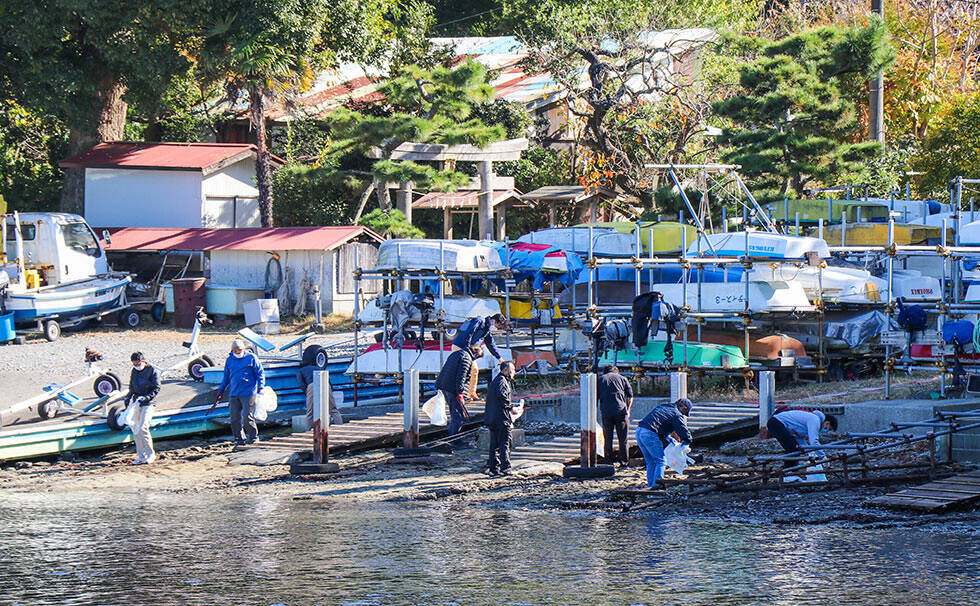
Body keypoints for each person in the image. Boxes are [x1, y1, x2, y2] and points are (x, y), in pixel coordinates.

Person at [213, 339, 266, 447]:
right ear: (232, 350)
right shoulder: (229, 360)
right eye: (236, 351)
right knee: (234, 418)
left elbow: (260, 373)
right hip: (234, 393)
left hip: (249, 392)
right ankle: (239, 440)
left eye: (240, 350)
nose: (238, 352)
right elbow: (226, 377)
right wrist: (221, 390)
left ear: (244, 349)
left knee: (247, 417)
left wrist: (261, 388)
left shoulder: (251, 358)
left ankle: (253, 437)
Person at [634, 398, 694, 488]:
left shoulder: (664, 406)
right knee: (661, 461)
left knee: (650, 462)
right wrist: (687, 441)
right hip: (649, 434)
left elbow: (659, 423)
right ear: (684, 408)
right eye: (684, 413)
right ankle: (657, 485)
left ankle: (651, 485)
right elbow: (682, 430)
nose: (683, 415)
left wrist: (668, 437)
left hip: (639, 431)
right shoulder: (676, 414)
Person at [435, 344, 482, 444]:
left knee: (454, 414)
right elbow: (461, 377)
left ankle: (452, 437)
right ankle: (455, 439)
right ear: (475, 354)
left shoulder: (457, 354)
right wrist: (460, 392)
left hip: (445, 386)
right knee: (459, 416)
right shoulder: (466, 359)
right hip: (453, 389)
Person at [453, 314, 505, 399]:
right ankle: (460, 393)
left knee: (474, 370)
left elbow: (490, 344)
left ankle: (471, 393)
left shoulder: (486, 329)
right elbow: (469, 333)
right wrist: (467, 349)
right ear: (493, 321)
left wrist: (499, 358)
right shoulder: (479, 321)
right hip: (461, 347)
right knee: (462, 370)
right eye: (497, 325)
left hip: (469, 350)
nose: (496, 328)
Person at [125, 352, 161, 465]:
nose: (137, 365)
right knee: (135, 429)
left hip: (148, 403)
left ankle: (150, 454)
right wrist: (128, 397)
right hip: (137, 403)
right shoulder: (135, 371)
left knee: (143, 427)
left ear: (143, 361)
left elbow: (157, 387)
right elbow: (131, 386)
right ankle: (141, 456)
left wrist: (147, 397)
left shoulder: (152, 370)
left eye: (138, 363)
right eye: (134, 364)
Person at [484, 360, 517, 476]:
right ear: (506, 370)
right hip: (501, 418)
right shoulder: (502, 382)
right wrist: (511, 408)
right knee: (504, 443)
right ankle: (505, 468)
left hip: (492, 418)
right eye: (512, 370)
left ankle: (493, 468)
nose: (514, 373)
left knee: (494, 445)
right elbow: (502, 397)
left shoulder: (495, 381)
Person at [766, 408, 837, 460]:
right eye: (829, 428)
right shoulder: (815, 420)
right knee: (791, 449)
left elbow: (799, 438)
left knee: (794, 449)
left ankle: (791, 472)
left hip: (777, 423)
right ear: (827, 423)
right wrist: (822, 456)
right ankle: (789, 473)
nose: (826, 430)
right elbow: (814, 441)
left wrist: (809, 453)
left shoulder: (808, 422)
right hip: (777, 423)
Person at [597, 366, 633, 466]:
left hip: (606, 412)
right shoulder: (623, 378)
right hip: (621, 411)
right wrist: (628, 409)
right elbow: (630, 396)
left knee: (608, 439)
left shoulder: (600, 379)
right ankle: (624, 462)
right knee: (623, 439)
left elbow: (595, 397)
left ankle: (609, 462)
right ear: (617, 372)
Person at [297, 360, 343, 430]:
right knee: (333, 410)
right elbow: (329, 382)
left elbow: (301, 384)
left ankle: (308, 431)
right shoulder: (319, 368)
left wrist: (307, 393)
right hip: (325, 383)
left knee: (310, 412)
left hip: (312, 385)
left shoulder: (300, 370)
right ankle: (340, 428)